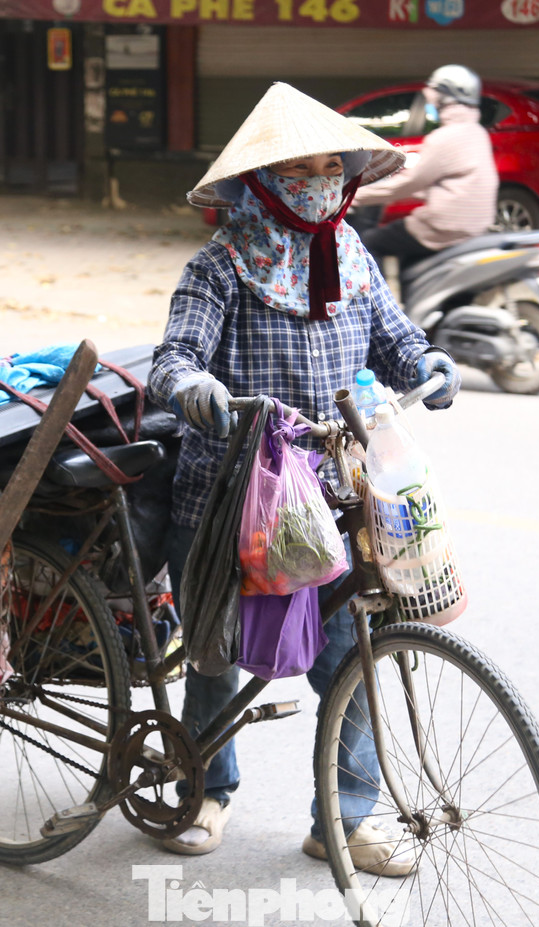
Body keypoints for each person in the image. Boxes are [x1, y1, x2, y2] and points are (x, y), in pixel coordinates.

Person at [148, 82, 460, 876]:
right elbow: (172, 360)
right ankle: (206, 789)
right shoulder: (218, 267)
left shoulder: (350, 256)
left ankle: (342, 818)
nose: (322, 180)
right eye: (304, 166)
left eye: (333, 166)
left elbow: (395, 341)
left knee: (363, 654)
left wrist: (428, 364)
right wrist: (194, 389)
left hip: (333, 496)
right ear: (263, 180)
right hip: (227, 499)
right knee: (215, 657)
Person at [352, 64, 499, 273]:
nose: (429, 100)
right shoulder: (478, 133)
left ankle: (381, 304)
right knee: (407, 253)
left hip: (442, 227)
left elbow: (410, 184)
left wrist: (357, 195)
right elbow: (452, 182)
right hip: (474, 226)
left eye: (434, 93)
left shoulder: (443, 138)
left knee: (369, 243)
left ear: (445, 98)